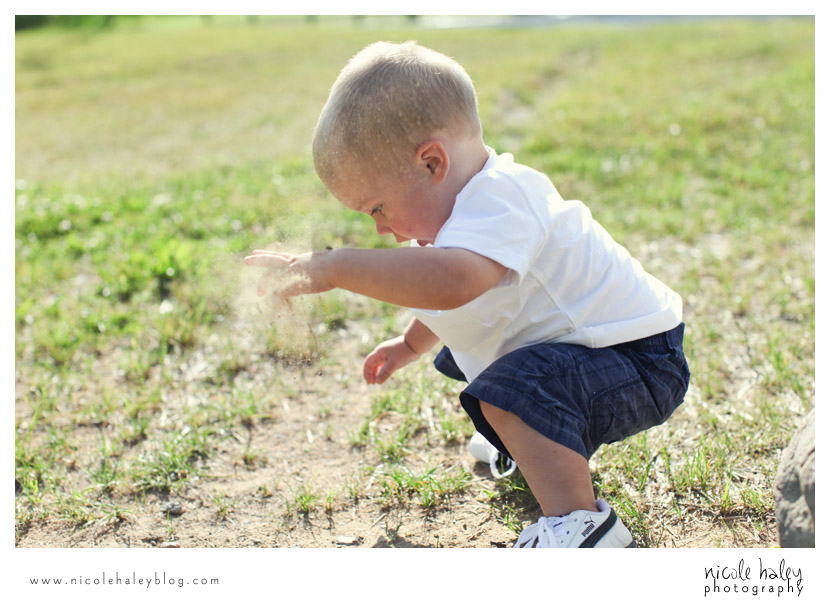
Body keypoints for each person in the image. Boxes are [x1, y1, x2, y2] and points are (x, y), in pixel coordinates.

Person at [245, 41, 690, 548]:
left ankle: (583, 527)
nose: (383, 230)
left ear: (432, 162)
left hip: (639, 361)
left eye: (377, 208)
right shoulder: (454, 219)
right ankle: (534, 447)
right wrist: (409, 345)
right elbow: (449, 297)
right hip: (588, 355)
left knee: (511, 392)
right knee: (470, 363)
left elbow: (453, 281)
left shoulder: (503, 198)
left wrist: (336, 266)